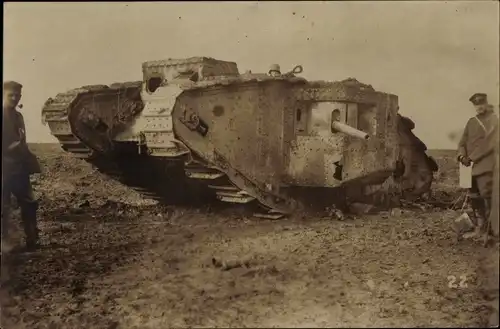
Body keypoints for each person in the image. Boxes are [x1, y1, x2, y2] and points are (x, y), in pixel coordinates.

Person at [2, 81, 41, 252]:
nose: (15, 98)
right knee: (3, 206)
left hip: (19, 168)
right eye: (11, 94)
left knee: (29, 203)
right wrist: (13, 147)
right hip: (3, 168)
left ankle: (32, 239)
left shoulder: (18, 117)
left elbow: (22, 141)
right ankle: (4, 244)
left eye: (18, 95)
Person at [457, 93, 499, 238]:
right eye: (476, 105)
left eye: (481, 104)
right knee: (474, 197)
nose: (479, 107)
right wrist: (462, 156)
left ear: (486, 104)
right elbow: (462, 142)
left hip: (486, 166)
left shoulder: (493, 120)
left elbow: (489, 144)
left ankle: (491, 232)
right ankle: (480, 229)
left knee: (487, 197)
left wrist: (471, 157)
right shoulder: (471, 121)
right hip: (470, 168)